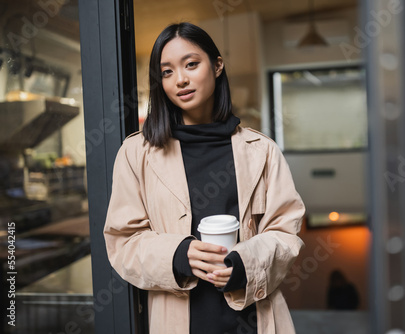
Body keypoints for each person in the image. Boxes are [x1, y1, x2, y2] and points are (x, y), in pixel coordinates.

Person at [103, 22, 305, 334]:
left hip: (252, 319)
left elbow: (285, 234)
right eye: (167, 72)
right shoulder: (136, 153)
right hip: (178, 320)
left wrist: (243, 265)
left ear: (217, 65)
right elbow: (123, 242)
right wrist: (179, 255)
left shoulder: (262, 150)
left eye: (191, 64)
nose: (180, 79)